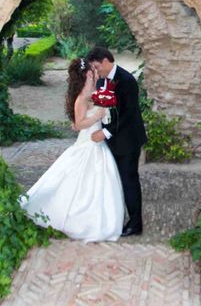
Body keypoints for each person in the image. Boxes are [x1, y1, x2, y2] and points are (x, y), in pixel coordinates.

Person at [18, 58, 124, 242]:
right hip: (88, 142)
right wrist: (97, 115)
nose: (97, 72)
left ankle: (98, 219)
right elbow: (79, 123)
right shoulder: (81, 99)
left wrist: (105, 114)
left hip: (98, 143)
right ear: (89, 74)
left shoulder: (95, 93)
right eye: (94, 70)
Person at [87, 46, 147, 237]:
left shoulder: (127, 80)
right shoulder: (103, 80)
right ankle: (113, 217)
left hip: (128, 140)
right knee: (114, 180)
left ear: (106, 61)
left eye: (97, 67)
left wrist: (105, 133)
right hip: (112, 139)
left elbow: (128, 114)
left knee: (129, 181)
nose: (96, 71)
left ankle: (136, 223)